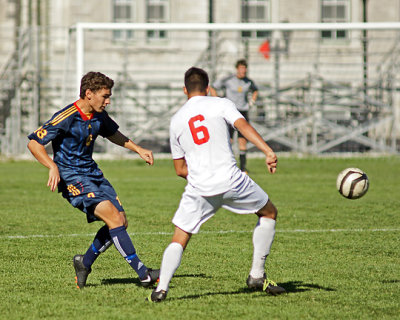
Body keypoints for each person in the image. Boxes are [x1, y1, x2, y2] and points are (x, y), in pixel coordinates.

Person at [148, 67, 285, 302]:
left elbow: (180, 169)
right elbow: (243, 126)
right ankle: (257, 275)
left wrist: (202, 176)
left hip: (199, 187)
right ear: (208, 86)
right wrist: (267, 151)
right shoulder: (221, 103)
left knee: (180, 237)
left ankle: (161, 289)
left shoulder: (177, 120)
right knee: (269, 212)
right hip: (232, 180)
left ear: (185, 90)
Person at [27, 71, 159, 289]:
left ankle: (84, 262)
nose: (107, 101)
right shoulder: (67, 116)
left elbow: (113, 133)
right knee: (114, 220)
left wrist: (138, 149)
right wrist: (52, 166)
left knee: (120, 221)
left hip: (93, 173)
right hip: (72, 177)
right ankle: (143, 273)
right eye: (105, 96)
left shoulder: (98, 114)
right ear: (89, 94)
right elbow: (34, 142)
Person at [210, 59, 258, 173]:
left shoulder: (248, 82)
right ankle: (227, 166)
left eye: (245, 68)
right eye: (241, 68)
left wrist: (252, 101)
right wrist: (217, 100)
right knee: (228, 140)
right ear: (237, 69)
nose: (243, 71)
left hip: (242, 113)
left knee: (242, 141)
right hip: (230, 112)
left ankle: (242, 168)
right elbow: (212, 87)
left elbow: (255, 90)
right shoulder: (229, 80)